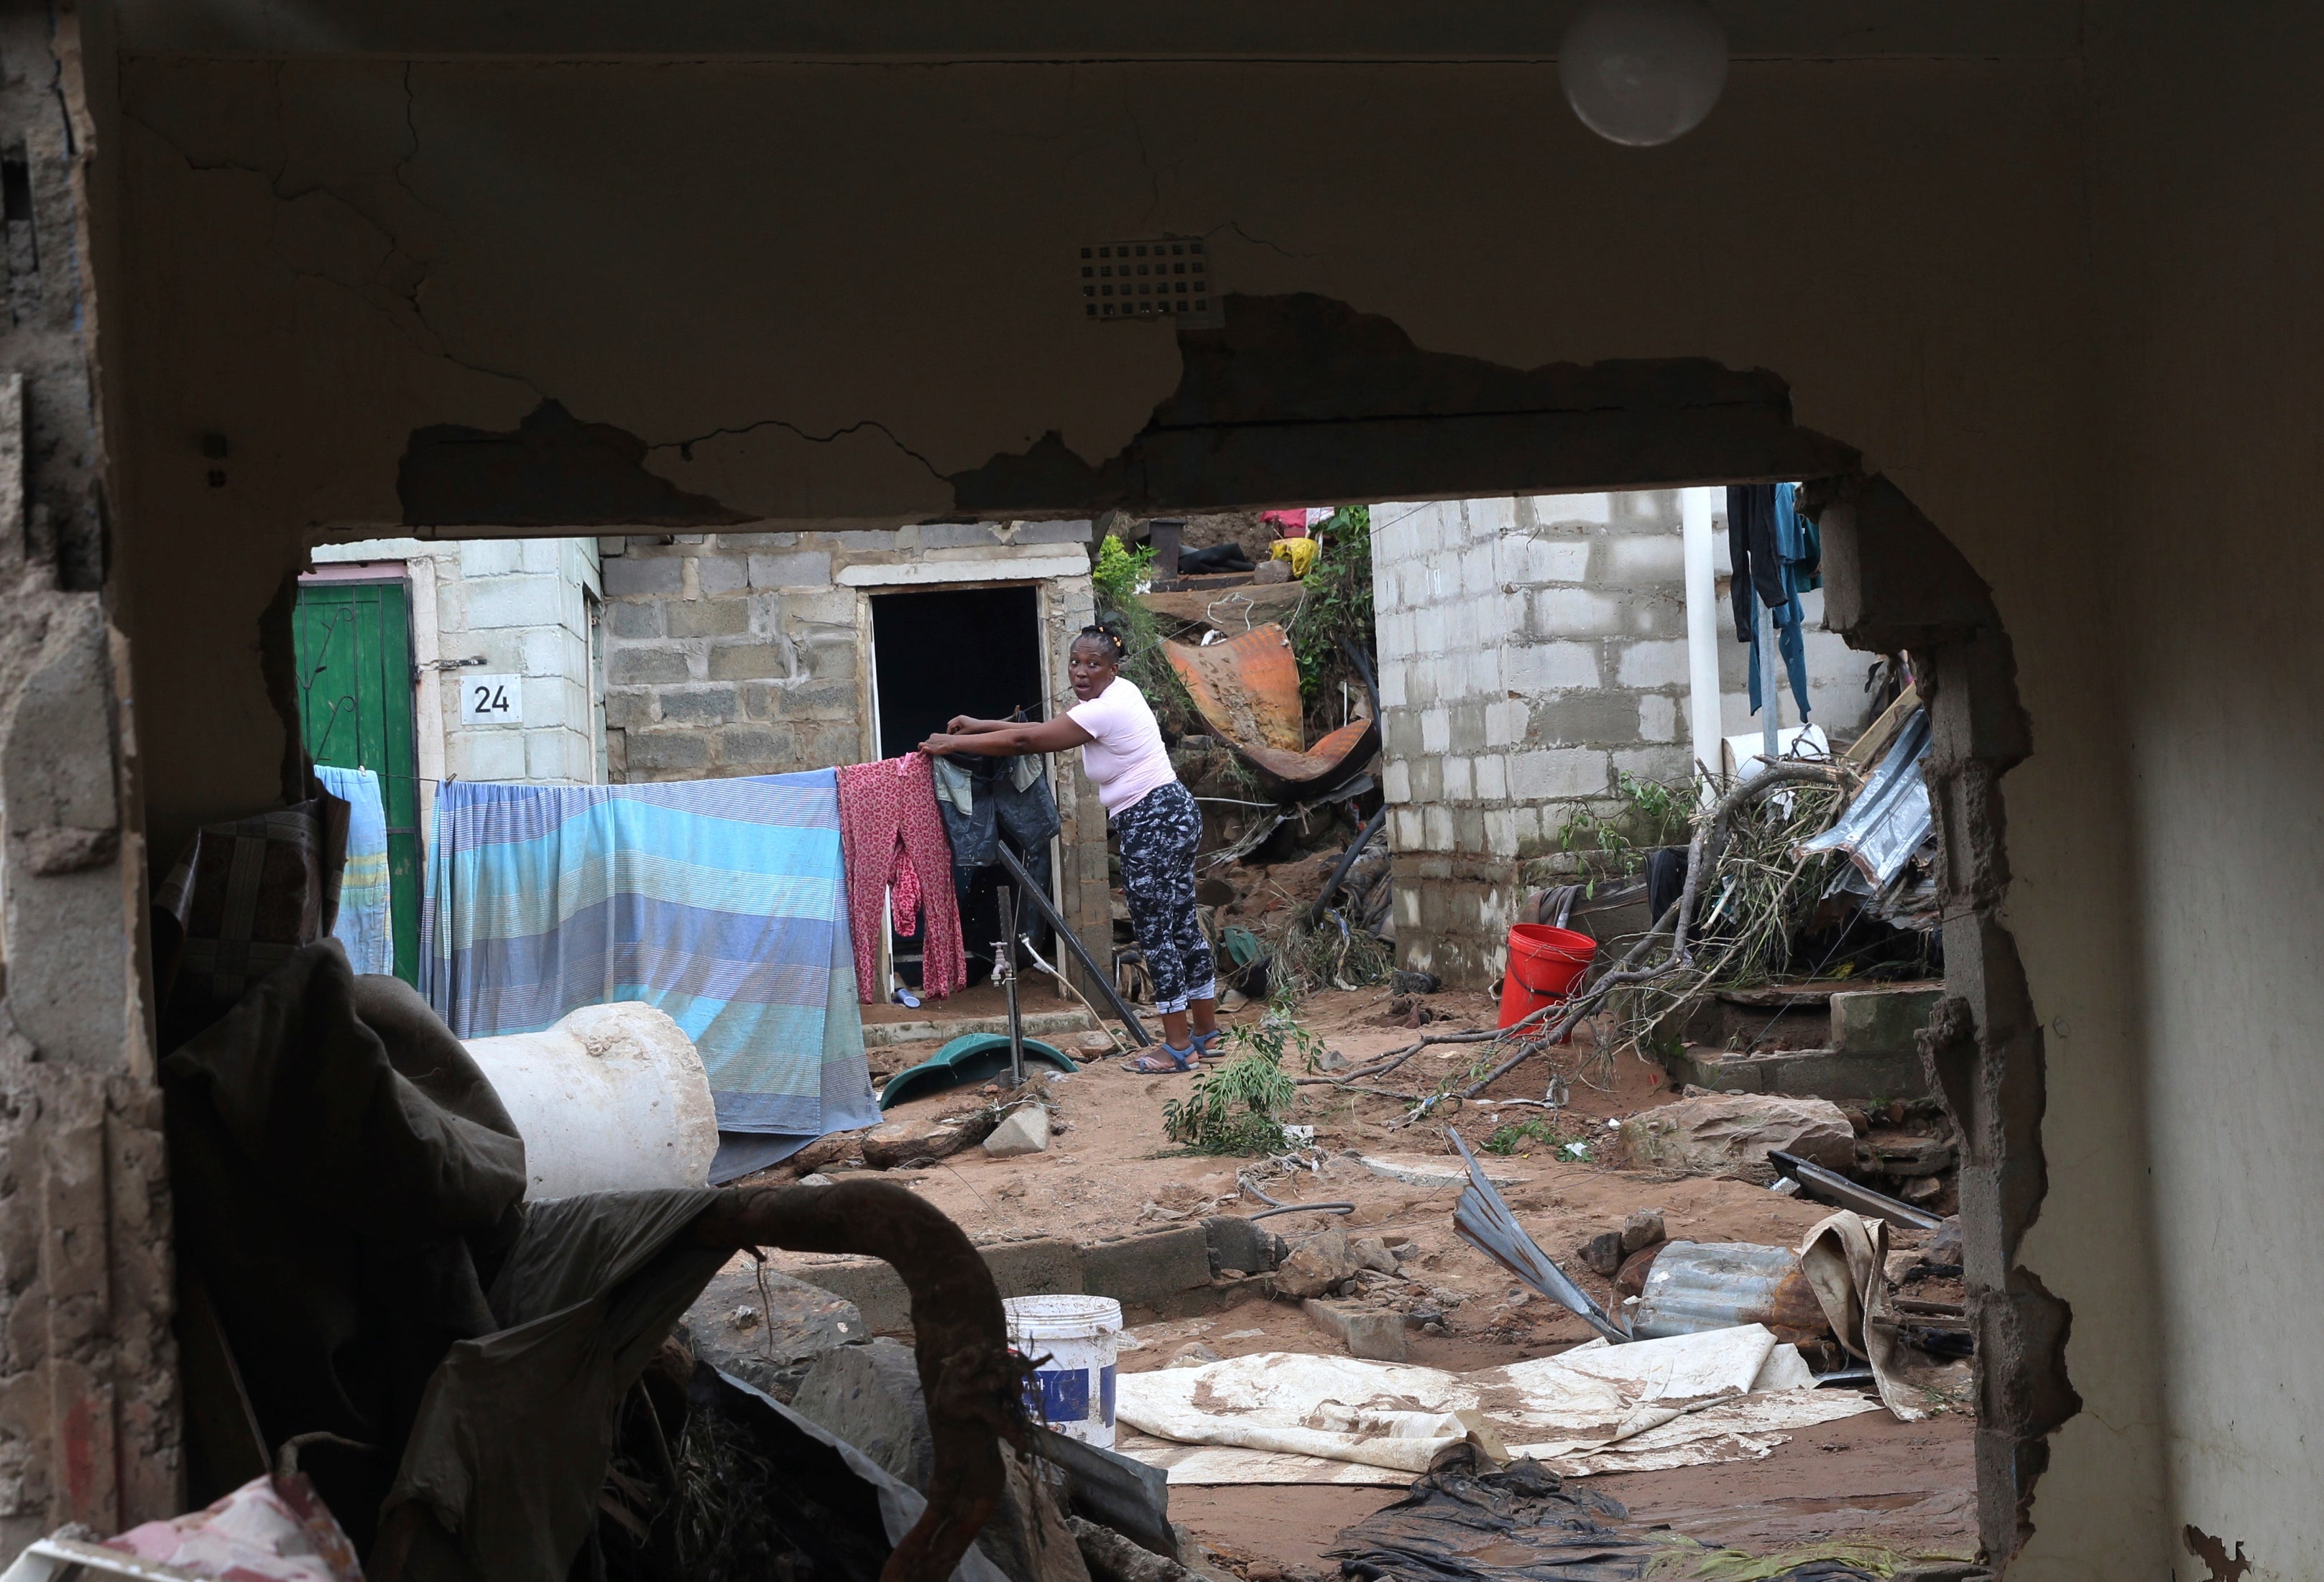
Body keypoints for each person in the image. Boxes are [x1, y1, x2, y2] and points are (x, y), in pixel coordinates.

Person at [918, 624, 1221, 1072]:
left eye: (1093, 665)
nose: (1081, 672)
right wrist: (981, 725)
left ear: (1112, 668)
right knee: (1180, 925)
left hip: (1151, 821)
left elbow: (1028, 742)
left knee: (1158, 933)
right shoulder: (1120, 694)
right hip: (1174, 812)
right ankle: (1205, 1035)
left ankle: (1177, 1047)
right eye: (1075, 663)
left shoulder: (1104, 710)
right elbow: (1045, 729)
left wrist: (953, 743)